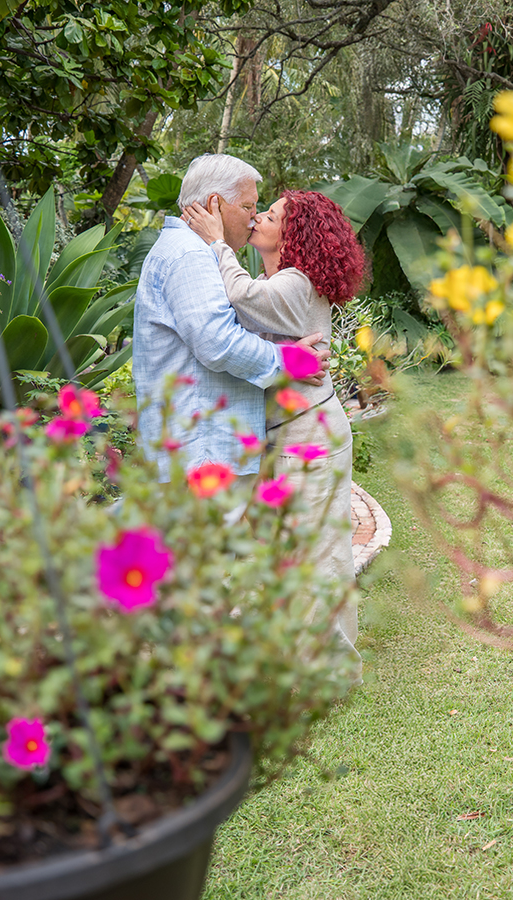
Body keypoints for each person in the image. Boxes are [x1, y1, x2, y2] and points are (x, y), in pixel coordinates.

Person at [183, 189, 367, 653]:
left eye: (270, 215)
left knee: (317, 555)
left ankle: (330, 672)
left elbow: (241, 295)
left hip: (309, 437)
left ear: (293, 234)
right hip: (295, 432)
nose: (258, 217)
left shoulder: (294, 285)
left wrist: (214, 241)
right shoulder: (285, 284)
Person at [132, 154, 327, 487]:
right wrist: (288, 360)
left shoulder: (191, 249)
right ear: (215, 204)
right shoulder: (191, 254)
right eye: (249, 207)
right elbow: (217, 342)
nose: (254, 218)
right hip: (203, 453)